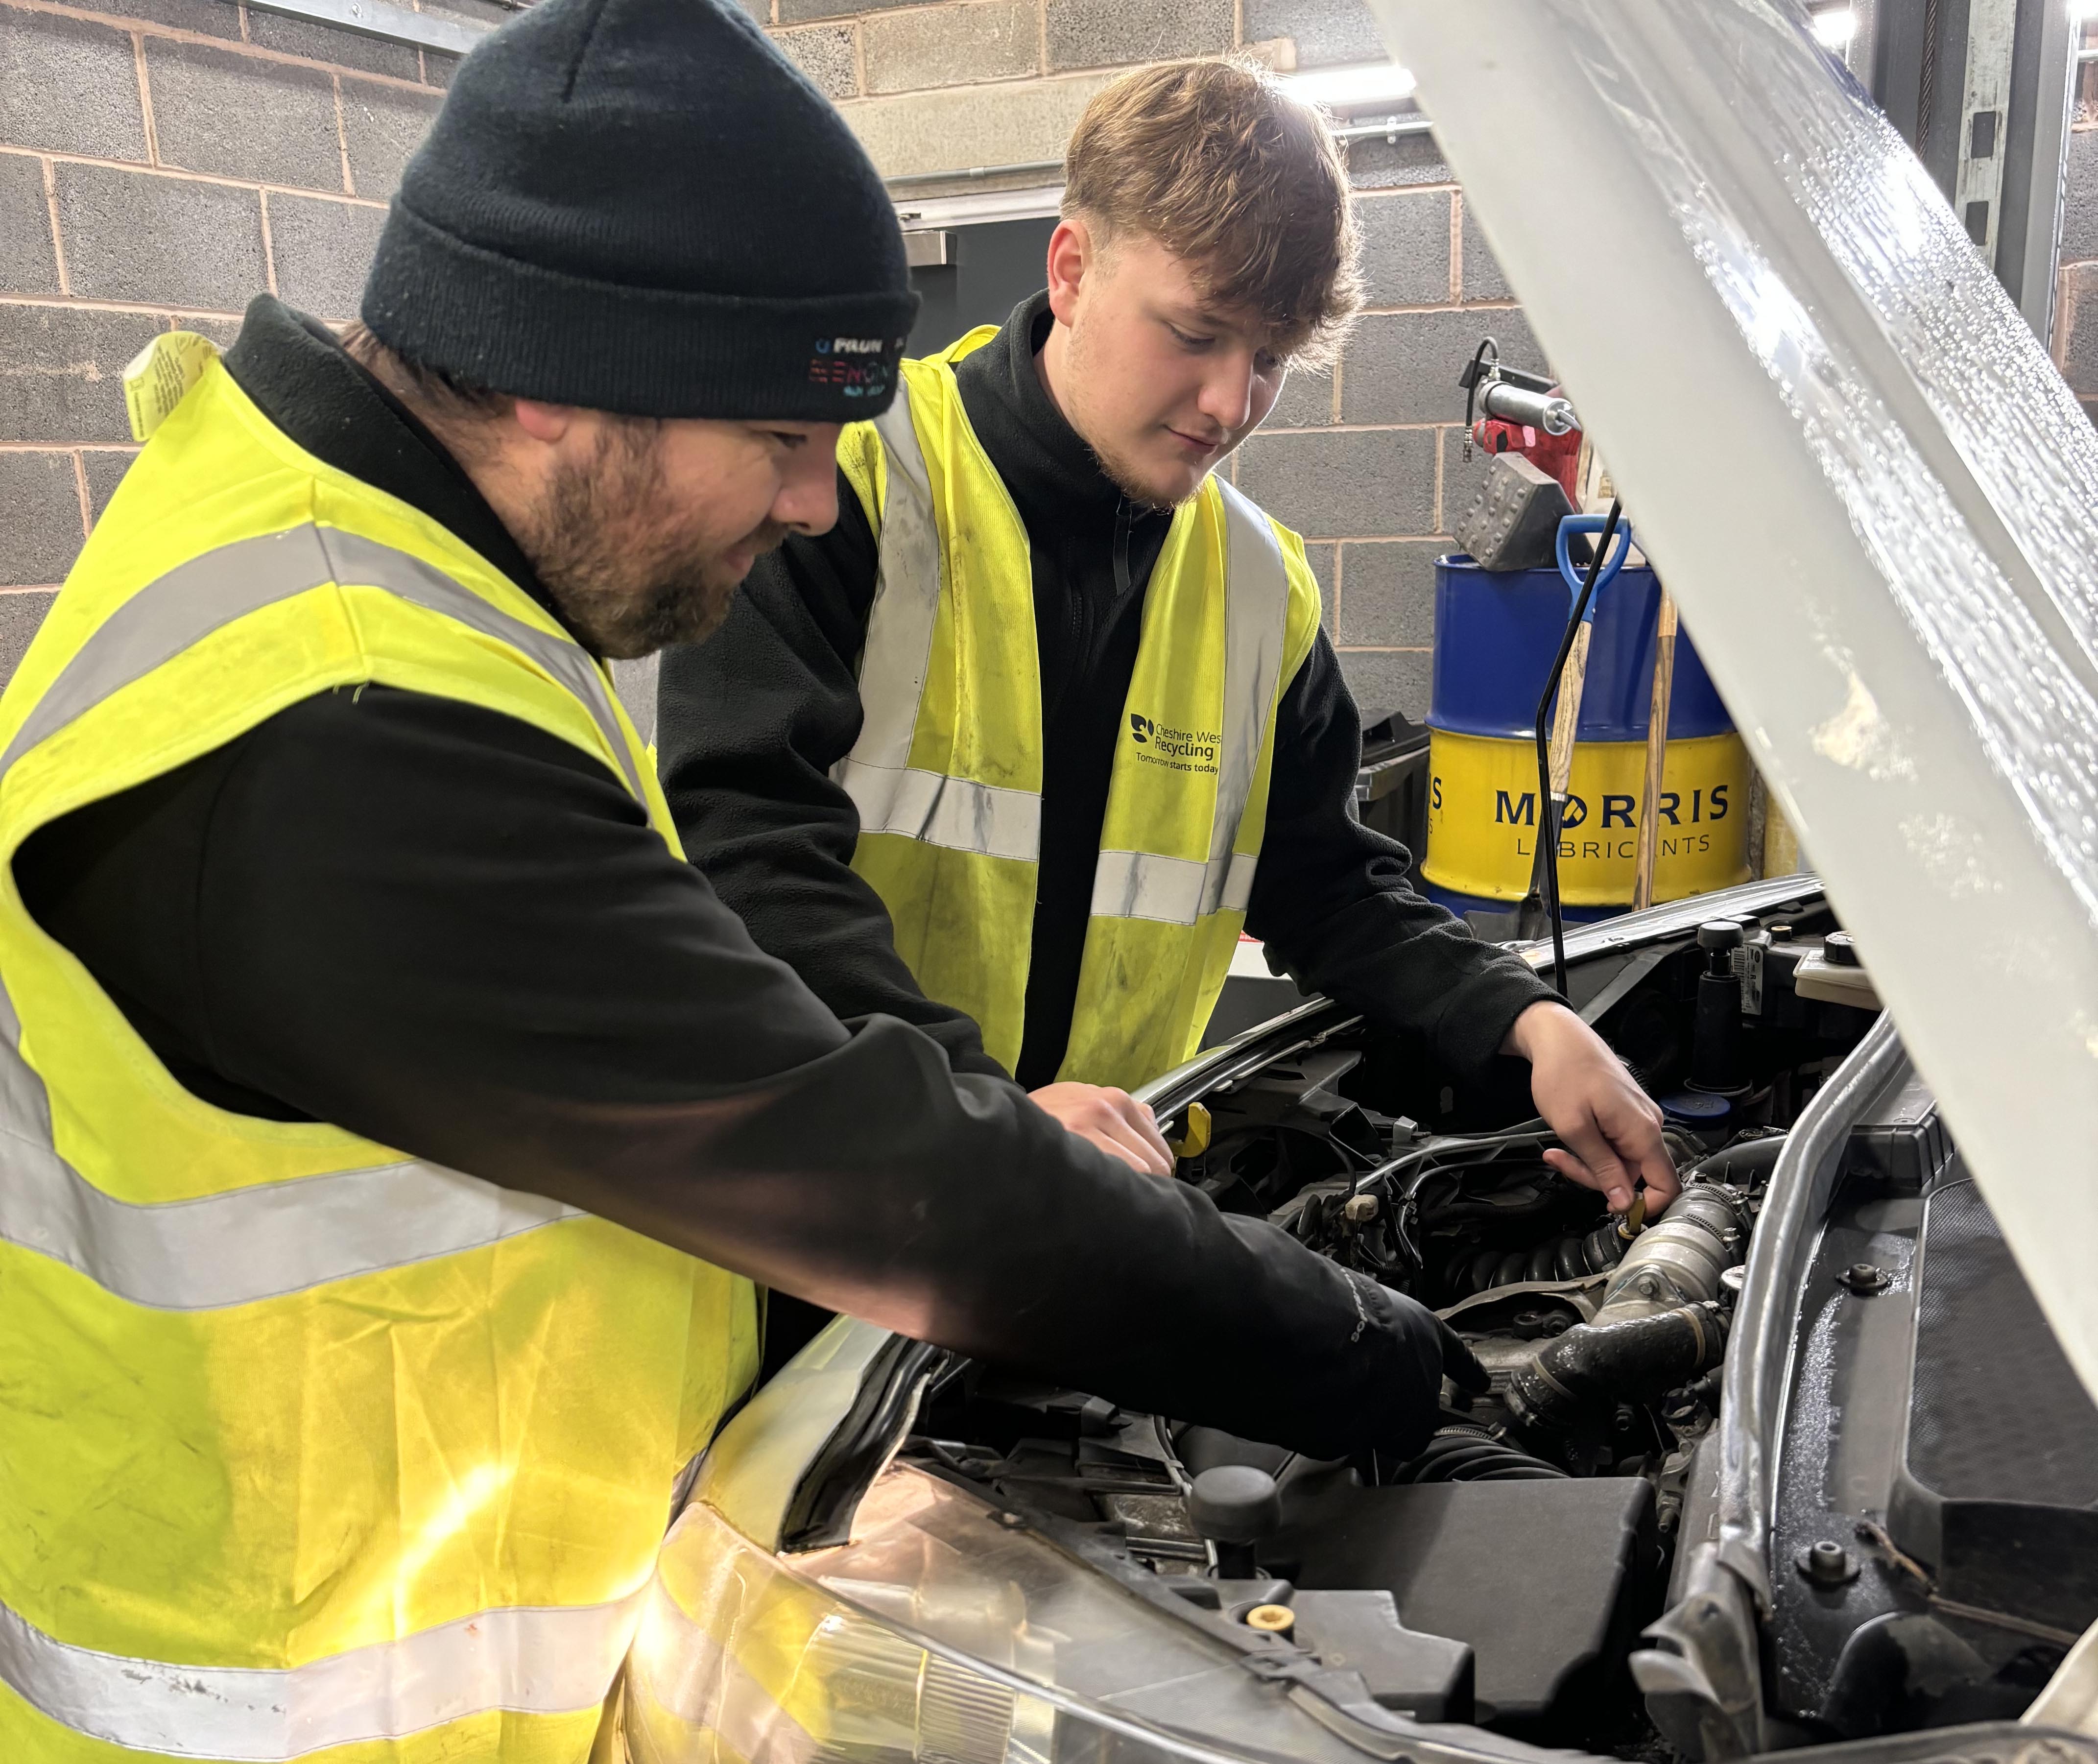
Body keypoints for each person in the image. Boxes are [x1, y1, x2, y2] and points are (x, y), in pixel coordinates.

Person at [0, 4, 1487, 1759]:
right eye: (786, 435)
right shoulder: (334, 723)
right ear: (558, 365)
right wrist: (1381, 1356)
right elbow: (877, 1169)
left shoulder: (411, 586)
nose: (810, 502)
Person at [657, 60, 1677, 1212]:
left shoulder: (1259, 588)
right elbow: (743, 848)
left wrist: (1528, 1018)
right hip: (837, 1186)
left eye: (1273, 361)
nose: (1230, 404)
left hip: (1099, 1208)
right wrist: (971, 1107)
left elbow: (1328, 882)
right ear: (1073, 270)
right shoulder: (847, 484)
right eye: (1197, 333)